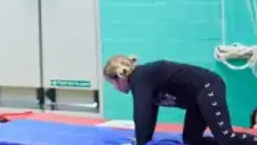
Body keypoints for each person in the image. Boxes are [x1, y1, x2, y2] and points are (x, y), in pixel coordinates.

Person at [103, 55, 257, 145]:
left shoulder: (140, 77)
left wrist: (140, 142)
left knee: (225, 136)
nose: (115, 88)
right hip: (196, 99)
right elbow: (149, 114)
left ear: (119, 77)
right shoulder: (144, 81)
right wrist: (143, 140)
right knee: (191, 139)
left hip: (207, 86)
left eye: (112, 83)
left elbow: (142, 111)